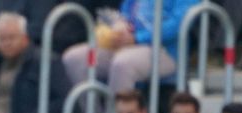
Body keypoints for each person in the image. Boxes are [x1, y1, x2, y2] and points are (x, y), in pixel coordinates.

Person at [61, 0, 198, 93]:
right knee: (74, 58)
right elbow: (126, 11)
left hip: (165, 51)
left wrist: (137, 38)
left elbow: (178, 24)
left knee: (122, 63)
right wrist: (120, 26)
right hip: (128, 45)